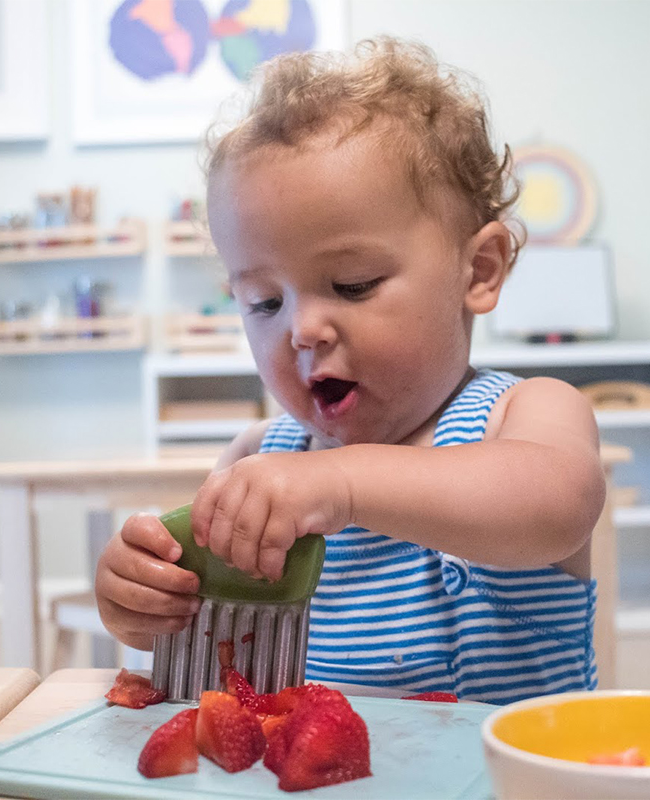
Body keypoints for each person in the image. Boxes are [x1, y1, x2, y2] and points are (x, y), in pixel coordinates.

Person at [95, 37, 606, 705]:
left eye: (353, 284)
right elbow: (209, 622)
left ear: (477, 271)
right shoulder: (258, 458)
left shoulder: (528, 414)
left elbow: (554, 509)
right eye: (265, 302)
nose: (302, 329)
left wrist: (339, 480)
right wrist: (138, 598)